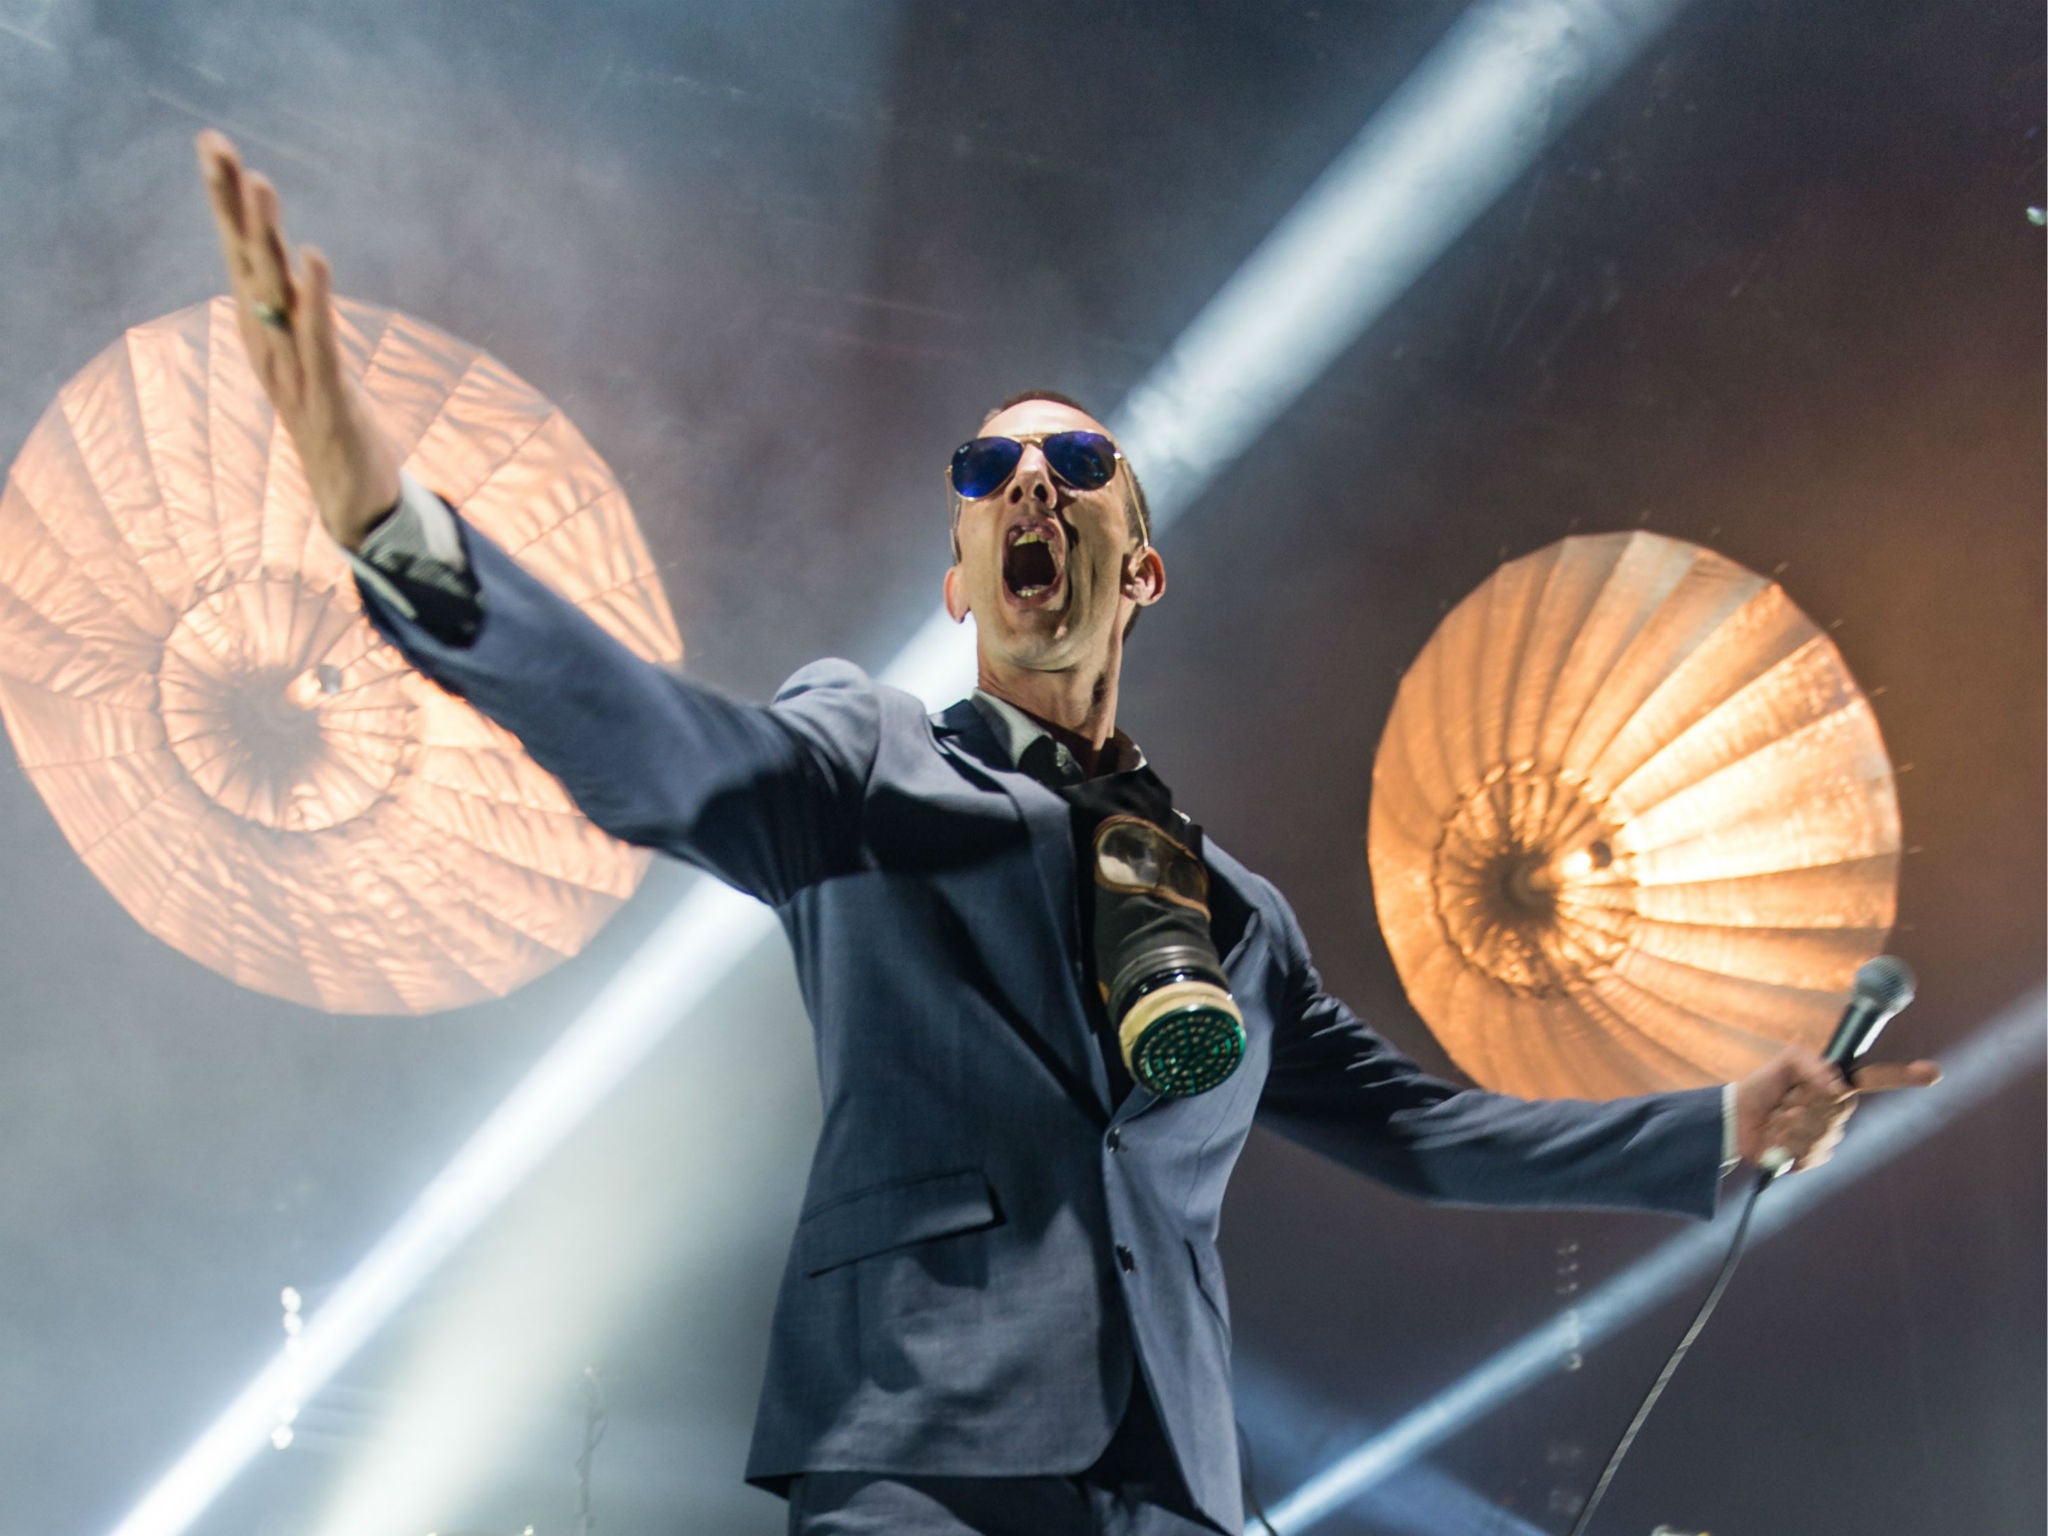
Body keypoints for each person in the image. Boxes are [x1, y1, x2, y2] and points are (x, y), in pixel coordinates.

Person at [194, 131, 1940, 1536]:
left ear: (1139, 565)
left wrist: (1720, 1120)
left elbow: (1424, 1135)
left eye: (1076, 461)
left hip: (1167, 1480)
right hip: (922, 1458)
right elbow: (671, 755)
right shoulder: (866, 758)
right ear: (961, 578)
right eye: (988, 474)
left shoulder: (1236, 918)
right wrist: (395, 530)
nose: (1029, 483)